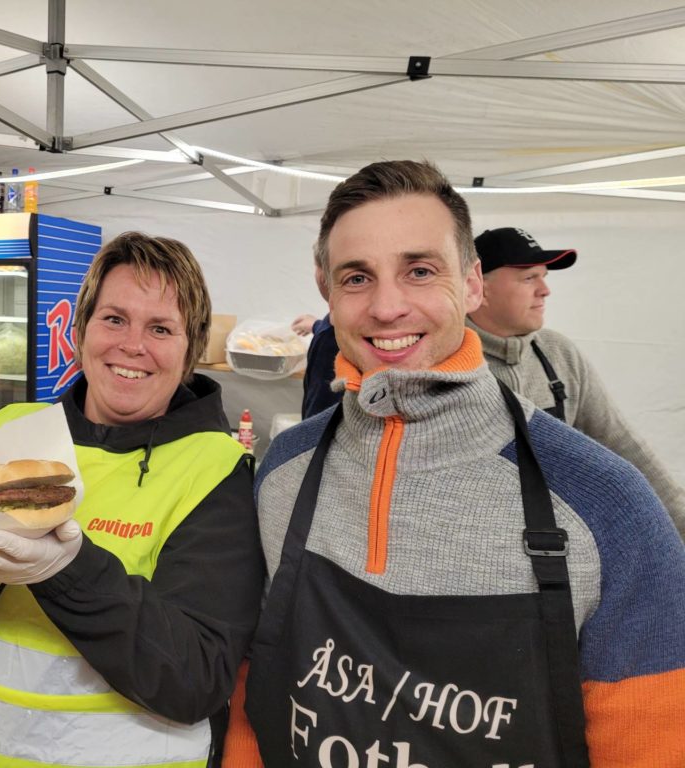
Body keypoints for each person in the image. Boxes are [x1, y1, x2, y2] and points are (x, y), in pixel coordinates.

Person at [233, 161, 685, 767]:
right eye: (357, 277)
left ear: (471, 284)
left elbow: (651, 742)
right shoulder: (285, 469)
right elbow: (253, 680)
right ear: (328, 294)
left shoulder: (605, 503)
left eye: (420, 271)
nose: (387, 307)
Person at [0, 232, 264, 768]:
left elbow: (195, 676)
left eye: (160, 328)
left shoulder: (215, 468)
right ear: (78, 332)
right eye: (113, 319)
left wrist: (65, 570)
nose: (132, 345)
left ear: (191, 349)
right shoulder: (17, 432)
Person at [468, 226, 685, 538]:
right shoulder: (450, 361)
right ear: (480, 288)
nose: (545, 290)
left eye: (544, 276)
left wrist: (680, 518)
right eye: (529, 277)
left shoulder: (558, 353)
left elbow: (621, 444)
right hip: (483, 544)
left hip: (561, 542)